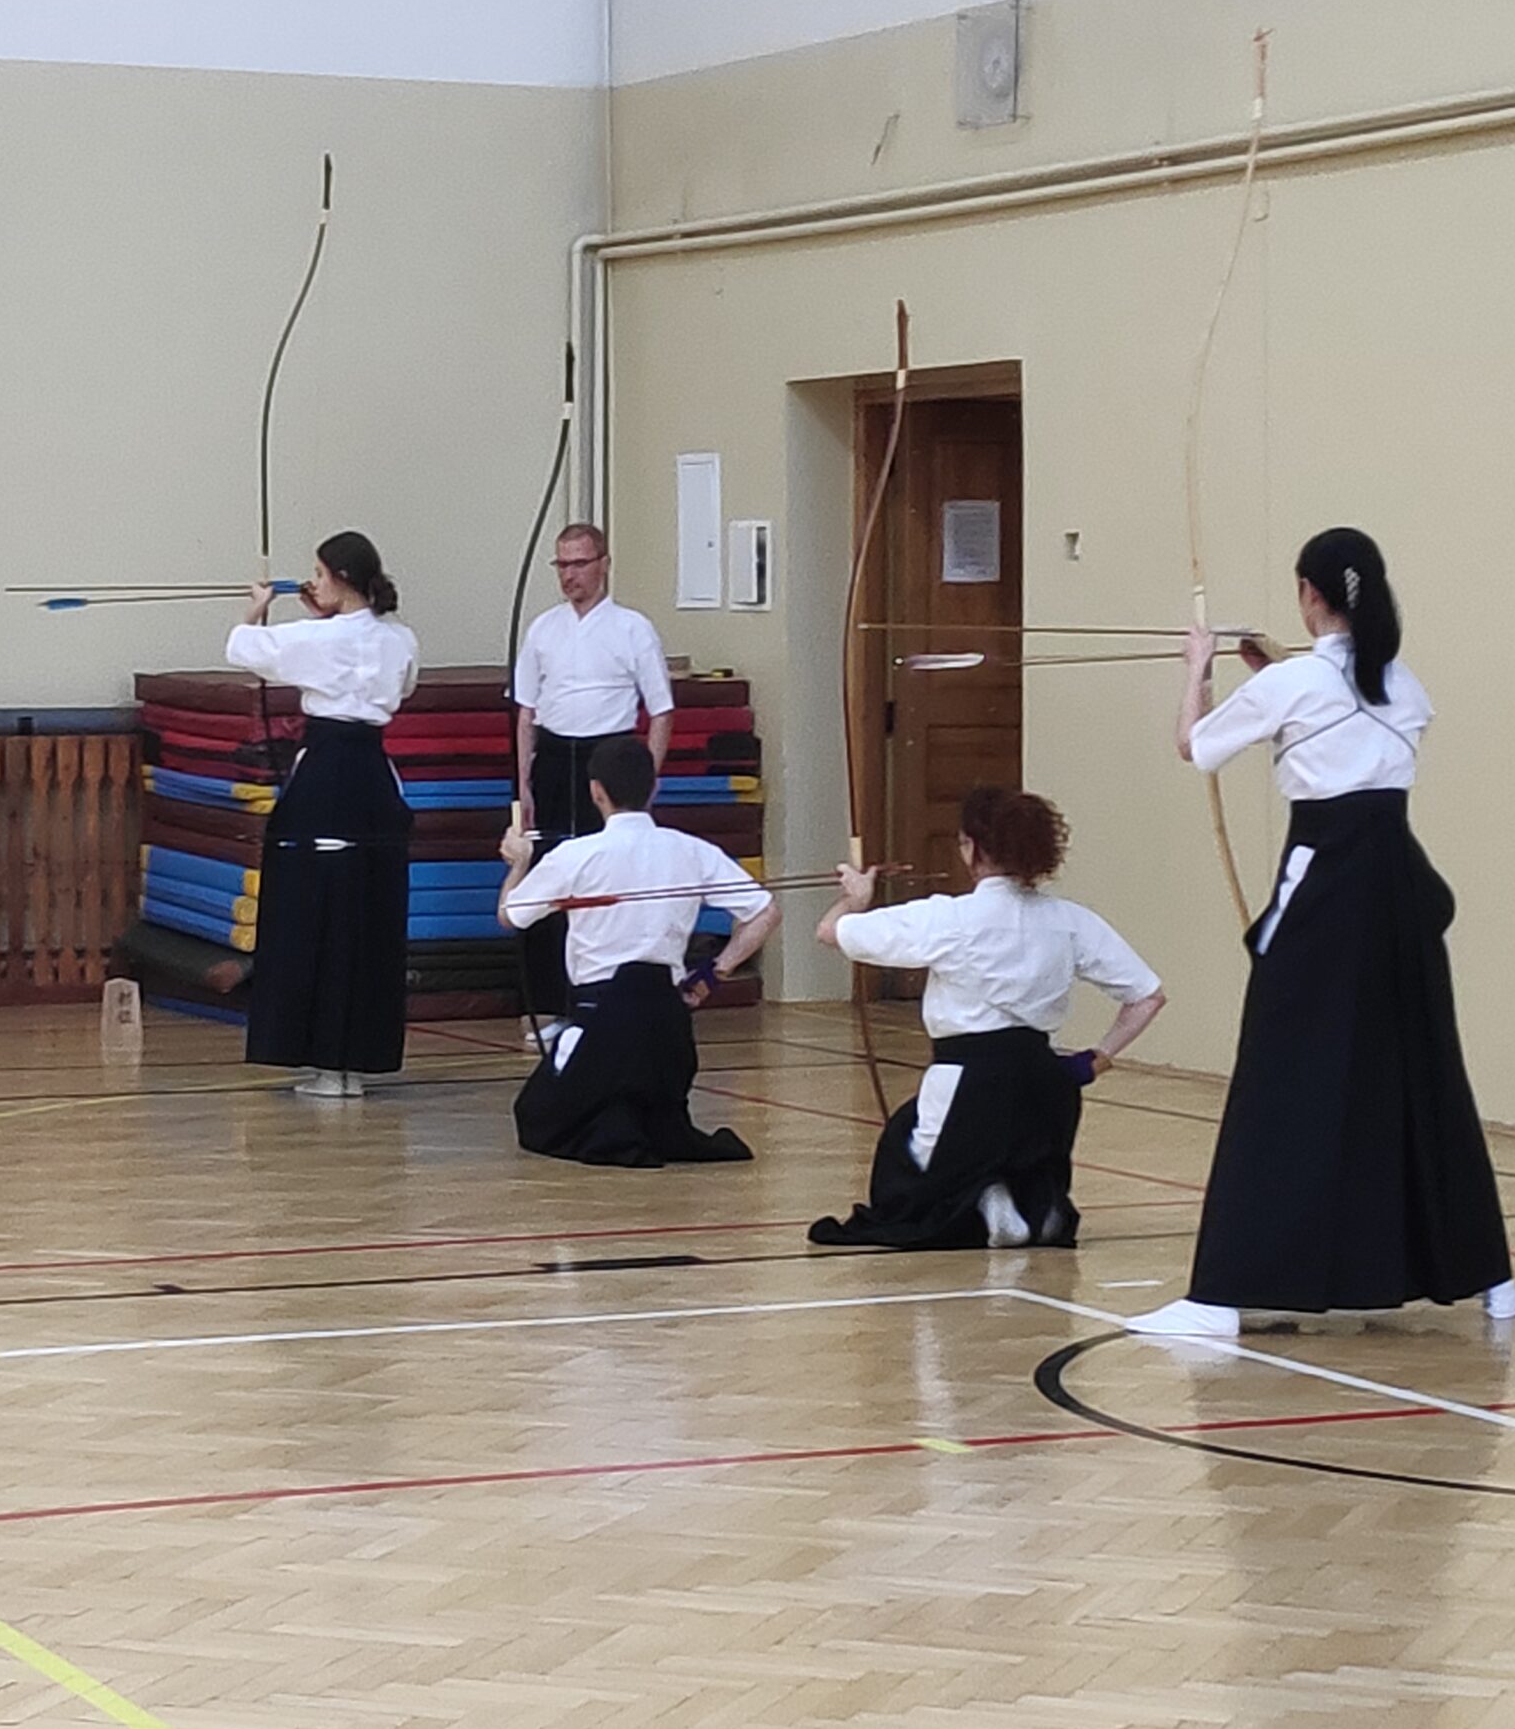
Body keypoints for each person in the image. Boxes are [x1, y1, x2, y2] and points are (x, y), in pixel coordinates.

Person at [1129, 527, 1515, 1335]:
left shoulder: (1295, 683)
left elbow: (1194, 748)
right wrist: (1274, 675)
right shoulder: (1401, 683)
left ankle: (1219, 1297)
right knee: (1422, 1071)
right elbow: (1346, 717)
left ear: (1309, 594)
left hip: (1326, 888)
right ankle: (1492, 1282)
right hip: (1400, 890)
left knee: (1281, 1075)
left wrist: (1198, 669)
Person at [807, 788, 1167, 1250]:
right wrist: (1097, 1058)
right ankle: (1038, 1205)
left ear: (972, 847)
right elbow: (1148, 996)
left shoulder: (949, 917)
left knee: (906, 1159)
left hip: (968, 1080)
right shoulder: (1071, 920)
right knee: (1026, 1157)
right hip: (1048, 1084)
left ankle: (985, 1205)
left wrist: (856, 898)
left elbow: (829, 932)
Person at [497, 734, 775, 1167]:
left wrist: (519, 864)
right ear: (654, 787)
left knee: (535, 1117)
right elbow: (765, 912)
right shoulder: (690, 850)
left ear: (596, 792)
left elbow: (510, 916)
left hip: (603, 1024)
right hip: (668, 1029)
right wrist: (712, 974)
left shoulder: (576, 855)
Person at [225, 531, 419, 1099]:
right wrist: (324, 617)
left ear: (340, 578)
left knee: (314, 910)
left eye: (318, 573)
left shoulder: (319, 637)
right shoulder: (400, 637)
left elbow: (243, 649)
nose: (311, 582)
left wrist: (257, 608)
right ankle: (353, 1063)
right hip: (373, 779)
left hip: (327, 776)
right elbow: (403, 685)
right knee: (365, 913)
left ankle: (322, 1062)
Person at [511, 524, 676, 1046]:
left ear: (603, 563)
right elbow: (526, 713)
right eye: (562, 565)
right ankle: (545, 1003)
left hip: (610, 755)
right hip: (554, 760)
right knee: (549, 874)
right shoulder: (543, 629)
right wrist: (524, 783)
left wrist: (645, 782)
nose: (570, 575)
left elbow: (661, 711)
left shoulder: (632, 628)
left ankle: (604, 996)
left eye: (579, 564)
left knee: (607, 877)